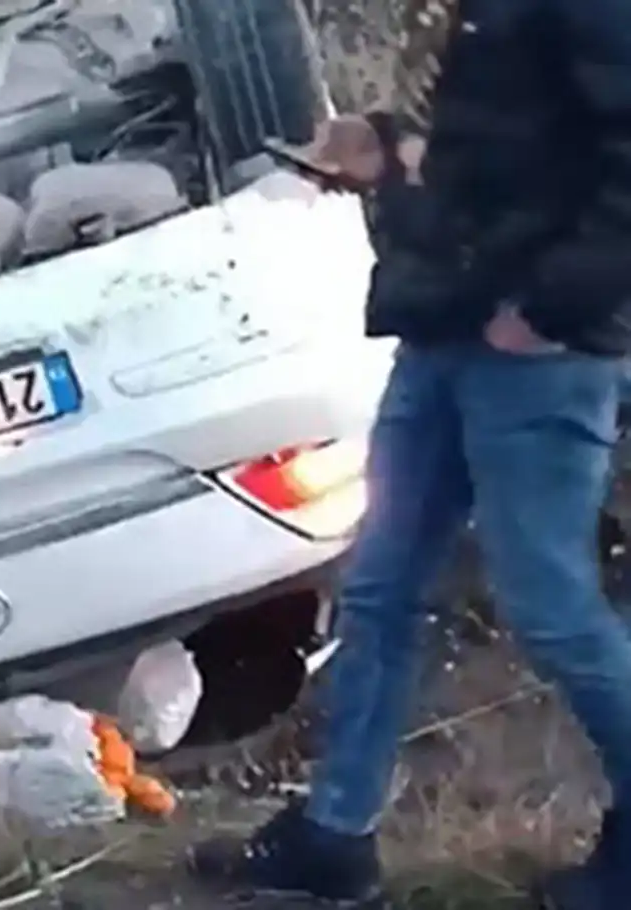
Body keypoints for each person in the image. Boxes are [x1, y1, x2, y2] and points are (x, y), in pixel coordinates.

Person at [186, 2, 631, 910]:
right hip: (442, 330)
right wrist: (390, 152)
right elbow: (508, 153)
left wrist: (550, 310)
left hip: (538, 353)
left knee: (550, 608)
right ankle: (334, 842)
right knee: (382, 591)